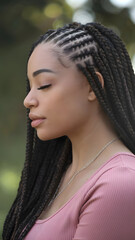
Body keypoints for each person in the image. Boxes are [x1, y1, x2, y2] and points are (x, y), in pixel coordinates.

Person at [2, 22, 135, 240]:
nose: (28, 100)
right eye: (30, 86)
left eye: (44, 85)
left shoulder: (119, 184)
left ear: (92, 86)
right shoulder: (58, 175)